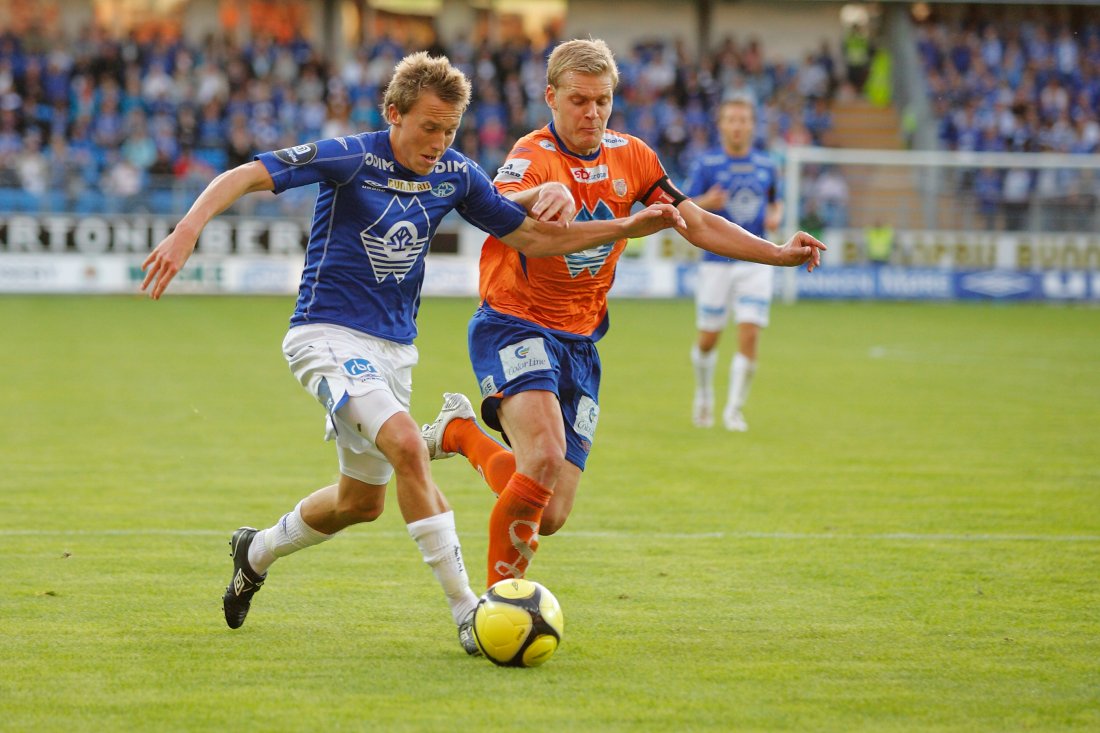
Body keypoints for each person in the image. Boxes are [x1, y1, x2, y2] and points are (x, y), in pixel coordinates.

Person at [139, 51, 684, 655]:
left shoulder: (454, 172)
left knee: (359, 503)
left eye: (450, 130)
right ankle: (467, 613)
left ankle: (256, 550)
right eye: (429, 127)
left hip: (394, 350)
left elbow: (526, 233)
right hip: (324, 334)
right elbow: (244, 174)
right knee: (403, 444)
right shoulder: (350, 156)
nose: (439, 142)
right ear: (394, 114)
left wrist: (620, 227)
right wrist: (188, 228)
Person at [419, 39, 825, 589]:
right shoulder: (531, 155)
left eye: (602, 101)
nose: (592, 112)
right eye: (579, 100)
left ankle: (461, 433)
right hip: (514, 321)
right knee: (540, 458)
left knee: (552, 513)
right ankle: (495, 607)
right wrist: (541, 195)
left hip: (581, 342)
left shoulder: (633, 156)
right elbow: (508, 214)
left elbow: (696, 222)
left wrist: (776, 252)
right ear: (551, 98)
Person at [684, 95, 782, 432]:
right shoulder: (706, 164)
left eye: (744, 120)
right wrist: (706, 202)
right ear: (721, 125)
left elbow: (775, 201)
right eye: (732, 120)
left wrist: (774, 216)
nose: (738, 126)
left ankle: (734, 410)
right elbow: (683, 205)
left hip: (755, 261)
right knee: (709, 338)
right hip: (716, 261)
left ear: (752, 126)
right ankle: (704, 394)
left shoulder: (768, 165)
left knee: (750, 334)